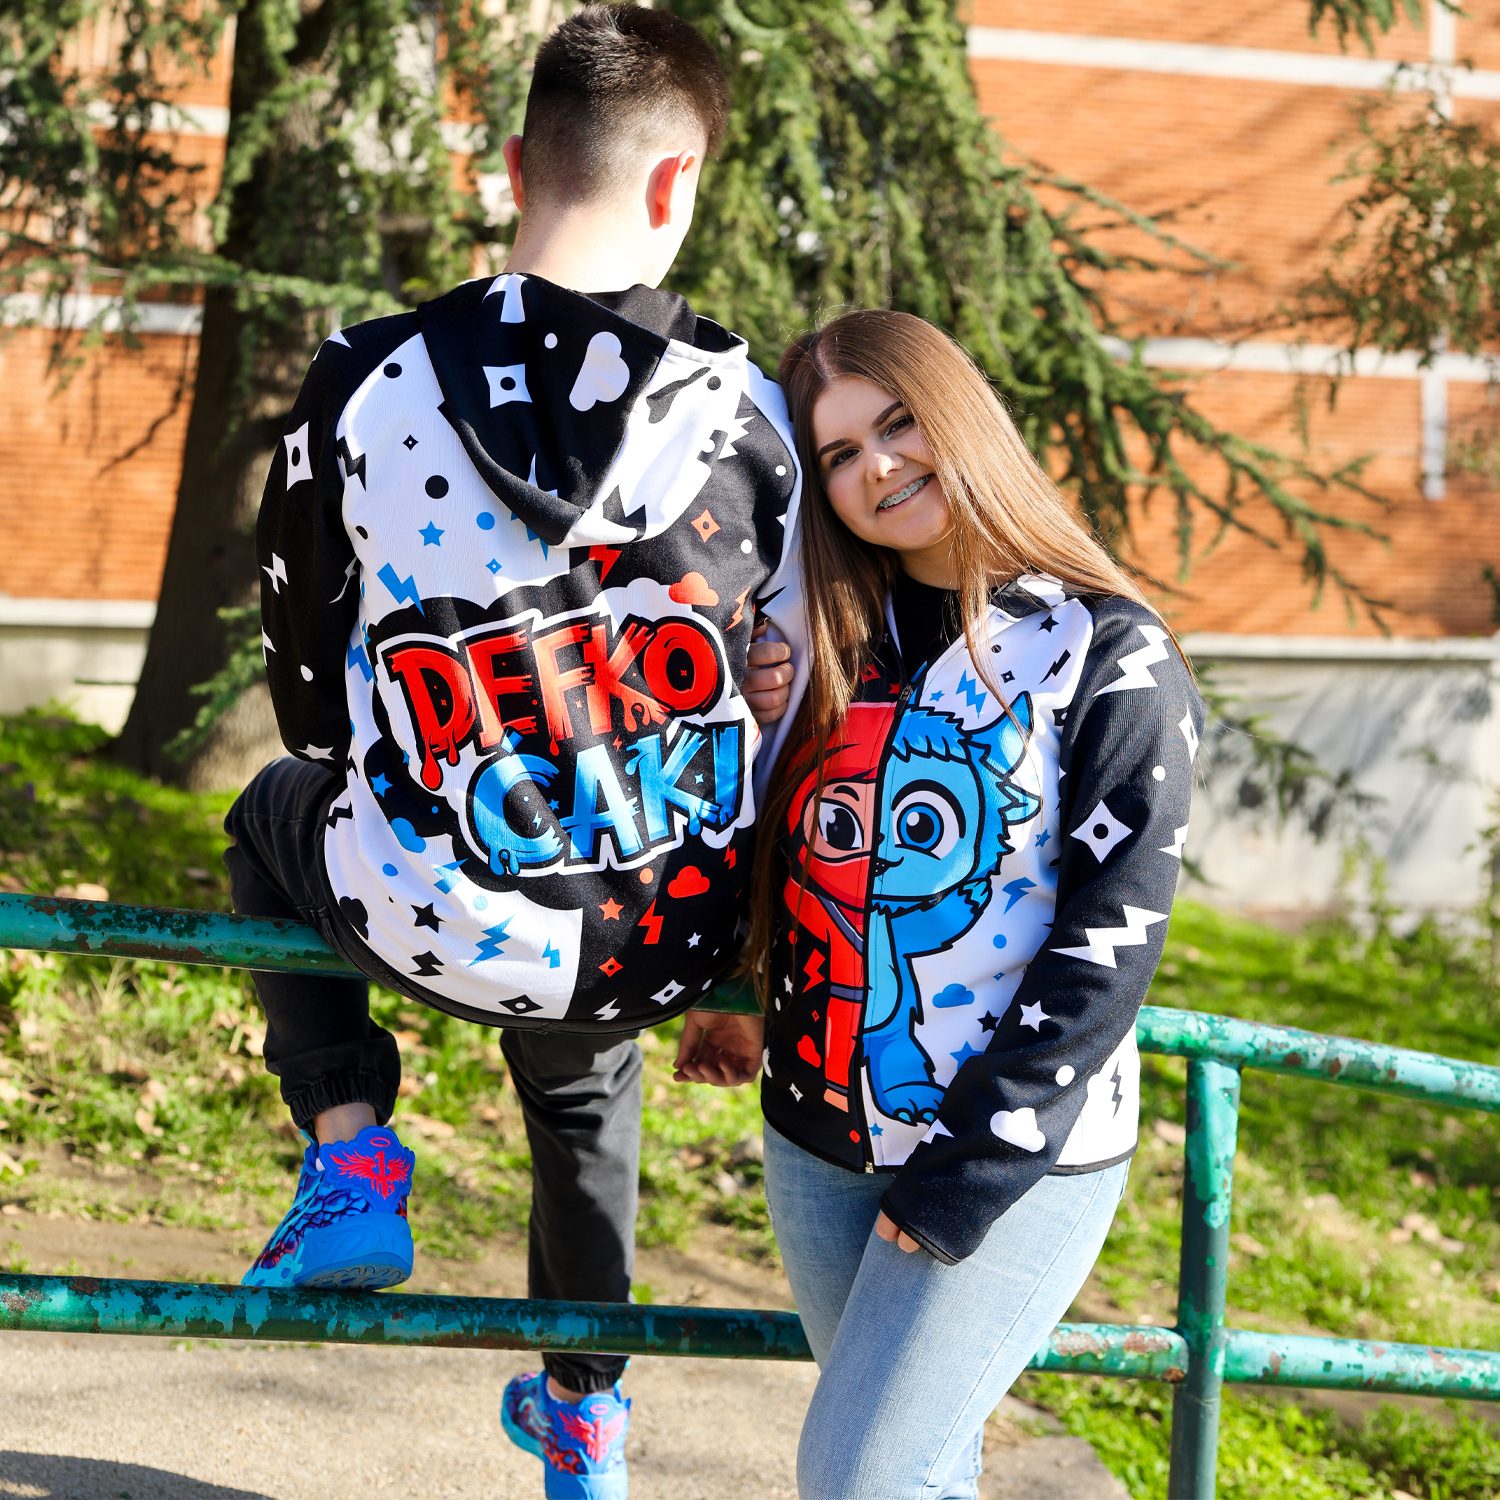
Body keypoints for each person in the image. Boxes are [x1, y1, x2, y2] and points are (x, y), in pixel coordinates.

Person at [222, 8, 798, 1497]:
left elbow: (308, 687)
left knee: (267, 809)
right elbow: (791, 701)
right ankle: (586, 1415)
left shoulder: (365, 378)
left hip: (424, 898)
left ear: (514, 163)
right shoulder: (758, 417)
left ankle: (351, 1153)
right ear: (675, 183)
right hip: (648, 934)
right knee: (587, 1087)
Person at [680, 308, 1203, 1500]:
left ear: (958, 414)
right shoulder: (819, 641)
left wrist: (965, 1179)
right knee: (917, 1471)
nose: (877, 466)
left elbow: (1108, 944)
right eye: (839, 453)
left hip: (1007, 1156)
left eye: (898, 423)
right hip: (816, 1140)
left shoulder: (1105, 651)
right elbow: (773, 850)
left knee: (862, 1475)